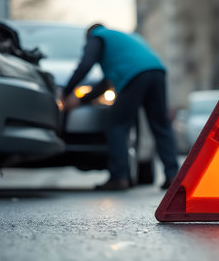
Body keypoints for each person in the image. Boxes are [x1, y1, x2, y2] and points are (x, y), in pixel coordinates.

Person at [62, 23, 179, 190]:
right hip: (156, 71)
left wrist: (66, 92)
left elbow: (85, 64)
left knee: (116, 125)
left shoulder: (97, 36)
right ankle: (173, 175)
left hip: (135, 76)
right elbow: (104, 86)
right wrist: (81, 101)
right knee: (161, 125)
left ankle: (119, 177)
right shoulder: (122, 40)